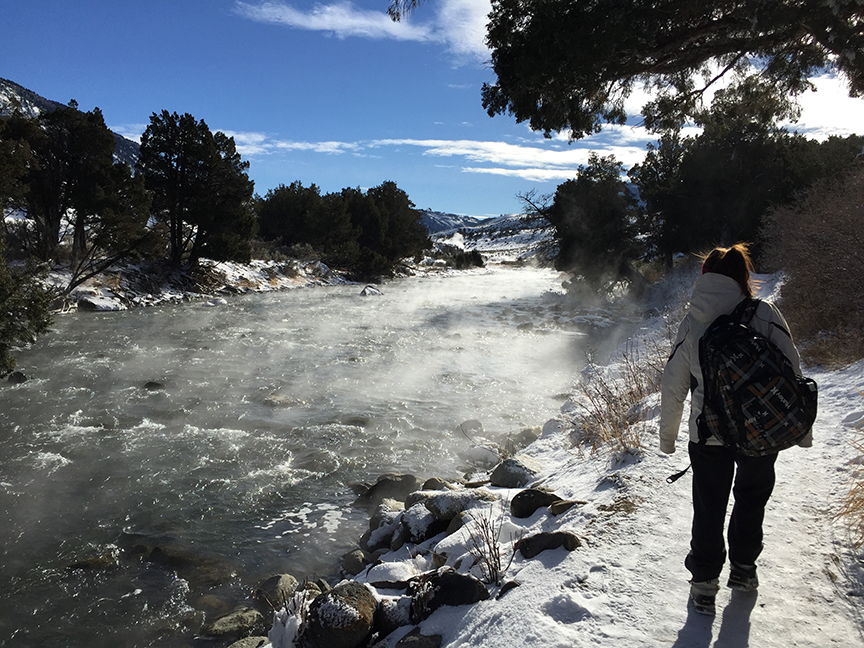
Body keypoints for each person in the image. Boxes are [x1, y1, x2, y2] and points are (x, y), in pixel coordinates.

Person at [658, 243, 811, 616]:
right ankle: (744, 571)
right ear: (744, 277)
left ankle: (704, 586)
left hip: (708, 434)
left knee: (709, 507)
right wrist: (801, 430)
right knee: (751, 499)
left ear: (705, 276)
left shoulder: (693, 321)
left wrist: (668, 438)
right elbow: (793, 371)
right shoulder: (764, 313)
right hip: (761, 431)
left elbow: (673, 384)